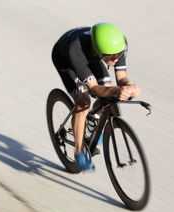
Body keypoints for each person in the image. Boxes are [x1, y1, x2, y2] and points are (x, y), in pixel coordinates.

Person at [51, 22, 140, 171]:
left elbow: (122, 78)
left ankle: (93, 118)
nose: (114, 60)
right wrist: (116, 90)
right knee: (83, 102)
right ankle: (79, 151)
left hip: (91, 56)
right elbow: (94, 89)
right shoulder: (76, 51)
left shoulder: (118, 46)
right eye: (110, 57)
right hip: (66, 58)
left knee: (109, 93)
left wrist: (130, 86)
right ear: (99, 51)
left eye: (117, 55)